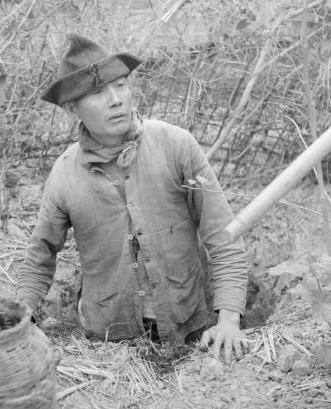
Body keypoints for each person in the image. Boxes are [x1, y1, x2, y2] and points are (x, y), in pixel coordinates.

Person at [16, 34, 249, 362]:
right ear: (72, 108)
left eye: (121, 84)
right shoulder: (64, 174)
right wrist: (20, 314)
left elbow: (223, 235)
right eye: (98, 92)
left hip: (190, 333)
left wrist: (228, 320)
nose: (116, 100)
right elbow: (40, 255)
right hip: (110, 346)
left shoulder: (176, 145)